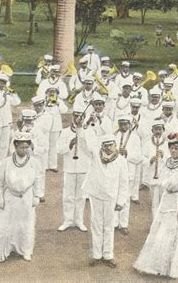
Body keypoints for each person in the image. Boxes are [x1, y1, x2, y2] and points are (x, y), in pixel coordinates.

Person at [133, 132, 178, 279]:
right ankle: (158, 265)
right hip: (166, 200)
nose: (173, 151)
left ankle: (173, 267)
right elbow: (162, 180)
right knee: (161, 231)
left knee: (175, 234)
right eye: (171, 148)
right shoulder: (166, 163)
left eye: (176, 149)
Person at [0, 132, 43, 262]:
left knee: (26, 224)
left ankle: (25, 250)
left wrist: (37, 196)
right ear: (15, 146)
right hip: (10, 197)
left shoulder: (34, 163)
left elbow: (39, 179)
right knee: (4, 224)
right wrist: (0, 196)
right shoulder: (6, 162)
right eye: (21, 147)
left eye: (26, 147)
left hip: (26, 197)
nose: (24, 150)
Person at [82, 132, 129, 268]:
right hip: (96, 195)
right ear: (101, 146)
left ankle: (108, 255)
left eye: (110, 145)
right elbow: (87, 144)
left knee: (109, 226)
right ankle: (96, 255)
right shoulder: (96, 156)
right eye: (105, 145)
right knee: (96, 225)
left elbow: (124, 182)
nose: (108, 148)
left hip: (111, 197)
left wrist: (121, 201)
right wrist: (83, 128)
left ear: (115, 146)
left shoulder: (121, 160)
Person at [57, 105, 91, 232]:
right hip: (70, 167)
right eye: (76, 116)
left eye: (81, 117)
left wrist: (81, 135)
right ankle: (68, 220)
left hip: (83, 167)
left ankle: (79, 221)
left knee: (81, 196)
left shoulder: (88, 132)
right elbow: (59, 150)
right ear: (73, 117)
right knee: (68, 195)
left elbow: (90, 151)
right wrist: (69, 145)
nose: (78, 119)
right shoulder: (65, 132)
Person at [113, 115, 142, 235]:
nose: (123, 127)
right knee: (114, 197)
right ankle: (114, 222)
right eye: (121, 124)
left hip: (129, 171)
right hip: (115, 172)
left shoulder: (135, 138)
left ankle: (123, 224)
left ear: (130, 125)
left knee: (125, 199)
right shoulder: (114, 136)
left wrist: (127, 153)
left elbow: (139, 157)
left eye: (126, 124)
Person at [141, 118, 169, 219]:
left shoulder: (166, 144)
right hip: (152, 176)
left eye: (160, 129)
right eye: (156, 129)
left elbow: (172, 159)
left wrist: (164, 156)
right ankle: (155, 223)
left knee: (163, 201)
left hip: (163, 175)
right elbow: (142, 158)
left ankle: (163, 222)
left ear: (163, 130)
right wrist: (150, 160)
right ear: (152, 131)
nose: (158, 131)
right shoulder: (147, 143)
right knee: (154, 202)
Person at [0, 73, 21, 168]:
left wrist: (14, 94)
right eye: (1, 83)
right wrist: (5, 96)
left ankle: (1, 162)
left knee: (4, 143)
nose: (3, 85)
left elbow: (16, 103)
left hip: (6, 120)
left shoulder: (7, 93)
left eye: (4, 83)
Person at [45, 86, 68, 175]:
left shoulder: (60, 101)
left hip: (55, 126)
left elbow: (64, 110)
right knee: (45, 145)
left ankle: (53, 165)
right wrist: (47, 103)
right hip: (45, 126)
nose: (51, 93)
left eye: (54, 92)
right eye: (50, 91)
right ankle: (45, 165)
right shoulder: (44, 101)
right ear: (47, 93)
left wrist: (58, 103)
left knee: (54, 145)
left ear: (57, 93)